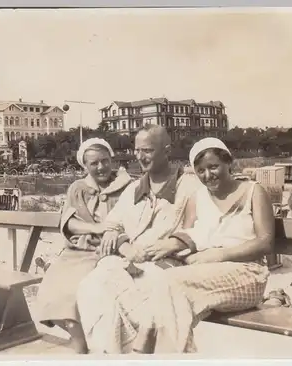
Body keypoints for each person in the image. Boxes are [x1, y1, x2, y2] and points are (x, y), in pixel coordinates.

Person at [76, 137, 275, 354]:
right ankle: (164, 351)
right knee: (144, 290)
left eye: (214, 167)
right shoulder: (197, 198)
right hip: (203, 274)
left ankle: (145, 348)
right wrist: (167, 250)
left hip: (248, 274)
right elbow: (185, 239)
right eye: (200, 171)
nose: (208, 175)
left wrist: (216, 255)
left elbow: (265, 243)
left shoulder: (253, 191)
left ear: (229, 162)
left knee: (170, 286)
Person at [34, 137, 133, 354]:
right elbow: (68, 221)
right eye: (94, 163)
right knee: (50, 293)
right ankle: (80, 341)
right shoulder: (78, 188)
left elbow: (134, 219)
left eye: (105, 161)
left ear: (111, 160)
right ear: (85, 166)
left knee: (76, 296)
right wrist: (96, 228)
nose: (101, 167)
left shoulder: (127, 186)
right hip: (78, 250)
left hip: (107, 251)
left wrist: (113, 233)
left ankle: (81, 348)